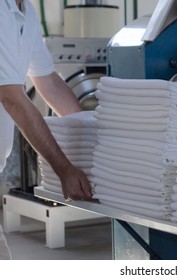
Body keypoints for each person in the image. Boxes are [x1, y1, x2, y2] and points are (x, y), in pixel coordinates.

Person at [0, 0, 95, 258]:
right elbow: (12, 98)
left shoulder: (26, 11)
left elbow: (48, 82)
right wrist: (64, 169)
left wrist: (96, 137)